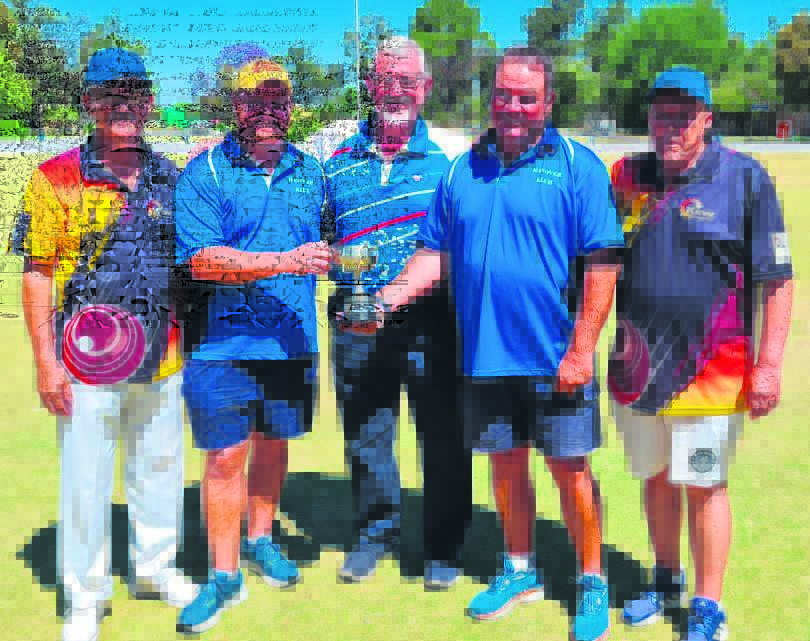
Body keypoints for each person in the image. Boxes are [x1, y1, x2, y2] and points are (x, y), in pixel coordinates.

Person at [376, 47, 624, 641]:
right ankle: (520, 569)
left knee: (570, 473)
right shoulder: (463, 170)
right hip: (484, 355)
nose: (513, 107)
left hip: (554, 358)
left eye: (527, 97)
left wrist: (582, 350)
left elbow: (602, 263)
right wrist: (384, 300)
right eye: (503, 94)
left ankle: (592, 578)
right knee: (507, 468)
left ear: (548, 102)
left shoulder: (577, 166)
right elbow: (434, 254)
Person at [16, 48, 195, 641]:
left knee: (160, 471)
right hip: (84, 362)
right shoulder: (54, 178)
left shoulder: (172, 177)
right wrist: (45, 363)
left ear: (149, 102)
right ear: (88, 103)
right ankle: (86, 596)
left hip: (163, 355)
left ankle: (155, 569)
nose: (121, 104)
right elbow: (38, 272)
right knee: (85, 481)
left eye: (132, 93)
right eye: (107, 94)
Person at [610, 67, 793, 641]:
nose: (670, 126)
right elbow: (595, 261)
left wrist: (769, 366)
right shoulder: (626, 176)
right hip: (638, 370)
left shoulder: (744, 178)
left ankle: (708, 604)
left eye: (684, 115)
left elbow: (777, 279)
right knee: (656, 478)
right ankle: (666, 577)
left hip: (712, 374)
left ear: (707, 119)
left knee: (704, 485)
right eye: (661, 113)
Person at [173, 59, 331, 634]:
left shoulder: (311, 171)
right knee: (224, 459)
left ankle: (261, 538)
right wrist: (285, 261)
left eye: (277, 100)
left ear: (291, 106)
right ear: (235, 106)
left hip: (291, 341)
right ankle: (223, 575)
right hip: (222, 346)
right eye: (254, 100)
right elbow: (203, 260)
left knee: (273, 446)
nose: (267, 110)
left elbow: (332, 240)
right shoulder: (206, 172)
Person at [323, 37, 472, 588]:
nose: (395, 91)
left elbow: (457, 245)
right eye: (385, 79)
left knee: (443, 436)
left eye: (407, 81)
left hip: (433, 321)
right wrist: (342, 267)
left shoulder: (451, 161)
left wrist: (395, 294)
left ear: (425, 88)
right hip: (355, 320)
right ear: (370, 85)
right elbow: (322, 240)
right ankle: (374, 535)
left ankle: (443, 547)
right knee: (366, 434)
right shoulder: (335, 160)